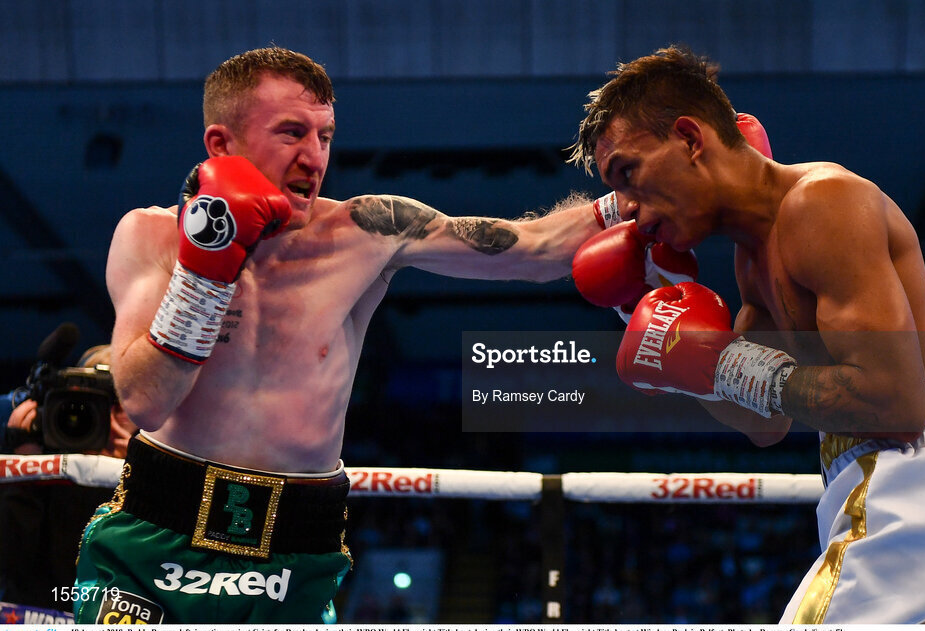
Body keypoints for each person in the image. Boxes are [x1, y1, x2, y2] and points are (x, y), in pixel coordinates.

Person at [74, 46, 614, 624]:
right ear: (220, 145)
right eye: (291, 133)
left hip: (296, 553)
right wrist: (206, 268)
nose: (314, 157)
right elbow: (145, 403)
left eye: (325, 136)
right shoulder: (150, 237)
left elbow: (531, 251)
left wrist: (645, 195)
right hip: (153, 540)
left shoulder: (366, 231)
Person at [568, 45, 925, 624]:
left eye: (627, 173)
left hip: (914, 474)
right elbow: (765, 422)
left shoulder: (822, 203)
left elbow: (895, 403)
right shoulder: (753, 257)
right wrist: (653, 327)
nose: (628, 210)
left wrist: (719, 363)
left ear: (689, 137)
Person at [0, 345, 135, 614]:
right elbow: (9, 563)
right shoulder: (40, 460)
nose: (106, 416)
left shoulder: (155, 466)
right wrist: (28, 467)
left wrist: (135, 469)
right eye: (92, 402)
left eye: (118, 403)